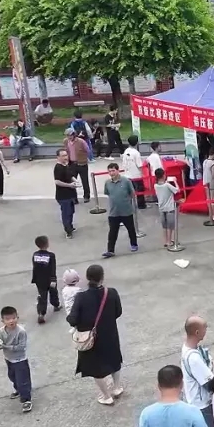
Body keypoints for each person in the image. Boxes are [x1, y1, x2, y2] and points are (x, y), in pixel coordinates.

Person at [68, 264, 125, 405]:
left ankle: (106, 396)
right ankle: (116, 388)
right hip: (110, 334)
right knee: (114, 360)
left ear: (87, 278)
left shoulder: (81, 297)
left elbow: (72, 320)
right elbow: (118, 312)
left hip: (91, 338)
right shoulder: (112, 292)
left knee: (95, 367)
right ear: (102, 277)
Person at [0, 305, 32, 413]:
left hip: (20, 360)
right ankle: (19, 390)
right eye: (8, 319)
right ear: (3, 321)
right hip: (8, 359)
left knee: (22, 380)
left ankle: (26, 400)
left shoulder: (21, 332)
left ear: (17, 318)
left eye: (13, 318)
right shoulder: (1, 331)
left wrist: (5, 347)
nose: (11, 321)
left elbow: (21, 347)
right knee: (12, 376)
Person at [102, 162, 139, 258]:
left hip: (126, 211)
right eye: (109, 171)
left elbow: (132, 193)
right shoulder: (107, 183)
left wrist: (129, 204)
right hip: (113, 212)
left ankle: (134, 244)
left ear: (118, 170)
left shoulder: (126, 181)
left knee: (131, 229)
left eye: (113, 171)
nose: (111, 173)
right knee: (112, 232)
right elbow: (107, 193)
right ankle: (110, 250)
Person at [30, 235, 60, 324]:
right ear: (47, 244)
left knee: (42, 297)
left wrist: (34, 279)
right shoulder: (51, 255)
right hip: (50, 279)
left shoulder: (35, 255)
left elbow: (35, 268)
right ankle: (56, 305)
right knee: (53, 293)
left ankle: (41, 313)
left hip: (39, 280)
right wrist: (53, 279)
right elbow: (53, 268)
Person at [53, 149, 78, 238]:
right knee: (66, 213)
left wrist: (76, 181)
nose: (66, 157)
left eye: (66, 155)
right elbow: (57, 181)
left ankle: (70, 226)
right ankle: (68, 231)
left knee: (71, 211)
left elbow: (70, 175)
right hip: (63, 195)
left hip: (70, 194)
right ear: (58, 157)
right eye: (63, 156)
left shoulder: (66, 165)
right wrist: (69, 185)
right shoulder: (58, 168)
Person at [154, 168, 180, 248]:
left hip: (161, 208)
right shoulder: (167, 185)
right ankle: (169, 241)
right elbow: (177, 190)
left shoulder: (155, 185)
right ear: (163, 175)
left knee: (164, 226)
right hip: (169, 208)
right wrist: (175, 181)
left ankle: (166, 241)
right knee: (170, 226)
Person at [120, 135, 147, 210]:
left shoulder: (126, 151)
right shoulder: (136, 153)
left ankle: (128, 205)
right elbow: (139, 165)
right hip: (136, 175)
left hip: (127, 175)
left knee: (128, 192)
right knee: (139, 191)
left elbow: (124, 163)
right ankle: (141, 205)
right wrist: (142, 174)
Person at [65, 127, 92, 202]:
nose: (69, 137)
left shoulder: (81, 141)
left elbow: (88, 150)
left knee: (84, 181)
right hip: (72, 164)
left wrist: (84, 157)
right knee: (72, 181)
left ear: (74, 134)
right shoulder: (66, 141)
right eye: (67, 135)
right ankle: (74, 198)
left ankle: (86, 196)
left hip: (82, 164)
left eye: (70, 135)